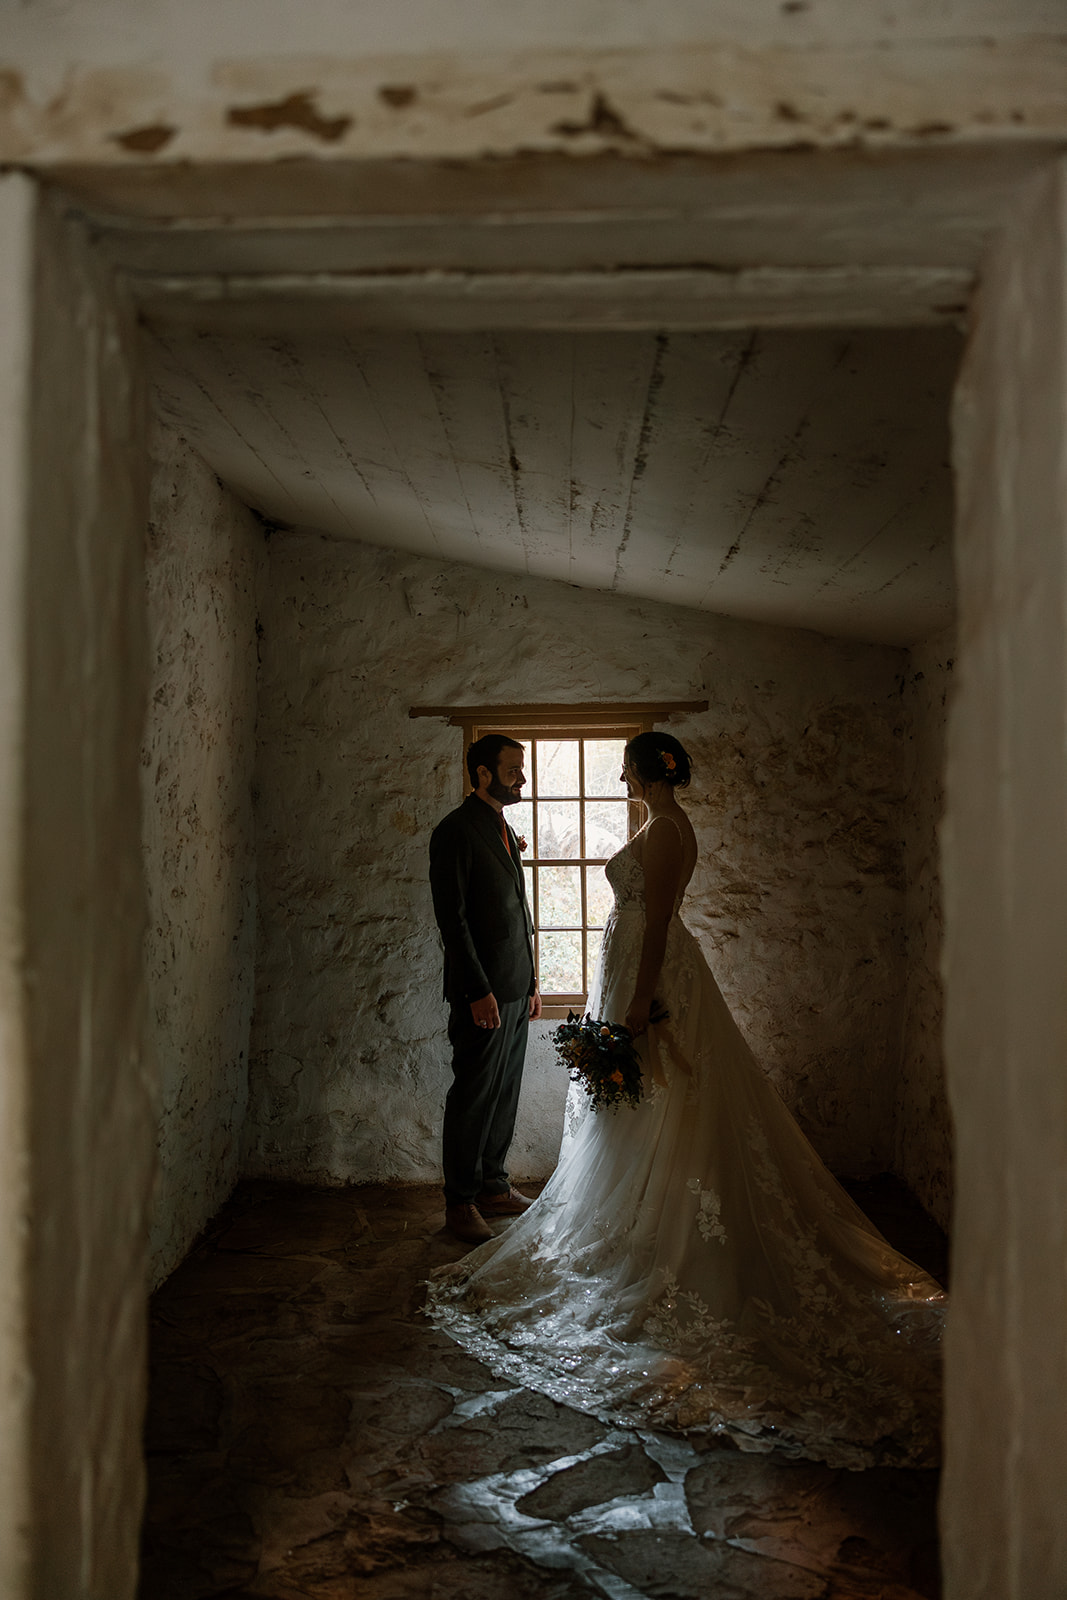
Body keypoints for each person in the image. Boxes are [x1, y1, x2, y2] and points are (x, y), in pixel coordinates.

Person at [427, 732, 946, 1469]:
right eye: (512, 768)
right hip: (599, 971)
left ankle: (648, 1222)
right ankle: (537, 1198)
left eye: (624, 764)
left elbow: (662, 918)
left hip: (652, 977)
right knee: (604, 1100)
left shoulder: (667, 829)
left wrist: (639, 1001)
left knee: (664, 1096)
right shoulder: (627, 825)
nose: (616, 773)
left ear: (644, 769)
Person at [429, 734, 542, 1245]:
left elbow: (517, 914)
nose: (522, 777)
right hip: (483, 993)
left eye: (521, 768)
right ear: (481, 773)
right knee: (473, 1093)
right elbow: (452, 921)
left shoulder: (503, 826)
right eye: (513, 769)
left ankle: (495, 1185)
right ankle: (461, 1202)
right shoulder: (454, 832)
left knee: (504, 1091)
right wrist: (478, 990)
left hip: (516, 987)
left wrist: (533, 982)